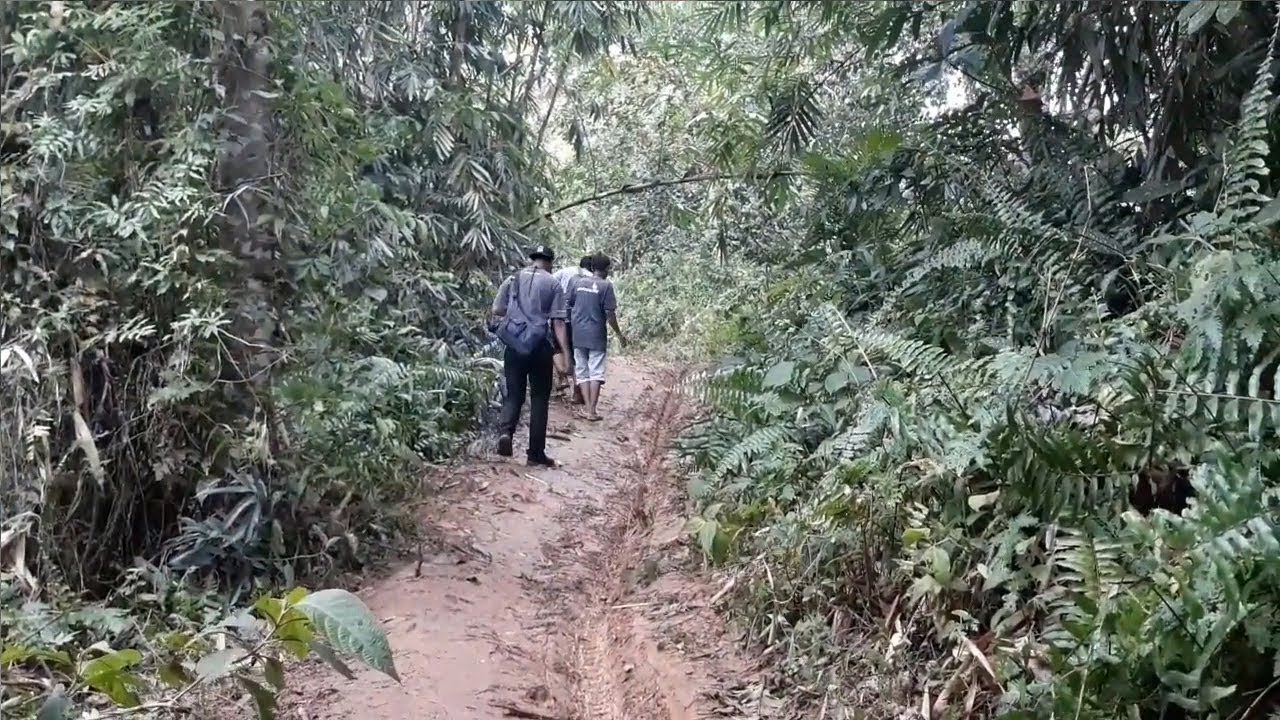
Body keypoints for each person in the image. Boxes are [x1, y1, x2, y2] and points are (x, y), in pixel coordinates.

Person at [491, 245, 571, 467]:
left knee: (513, 393)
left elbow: (497, 309)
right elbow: (557, 322)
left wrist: (517, 317)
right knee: (539, 398)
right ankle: (535, 453)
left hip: (515, 344)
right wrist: (565, 353)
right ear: (550, 262)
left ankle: (506, 433)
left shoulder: (513, 279)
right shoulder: (553, 284)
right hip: (540, 346)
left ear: (533, 259)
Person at [566, 253, 627, 421]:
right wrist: (619, 334)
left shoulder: (577, 282)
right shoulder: (606, 286)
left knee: (582, 370)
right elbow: (610, 314)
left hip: (578, 333)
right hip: (596, 334)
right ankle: (592, 411)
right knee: (596, 371)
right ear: (607, 269)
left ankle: (587, 408)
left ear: (592, 267)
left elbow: (569, 304)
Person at [551, 256, 593, 403]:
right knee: (578, 354)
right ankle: (577, 390)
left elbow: (549, 282)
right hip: (580, 320)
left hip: (560, 315)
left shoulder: (565, 271)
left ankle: (562, 376)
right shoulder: (592, 278)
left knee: (557, 348)